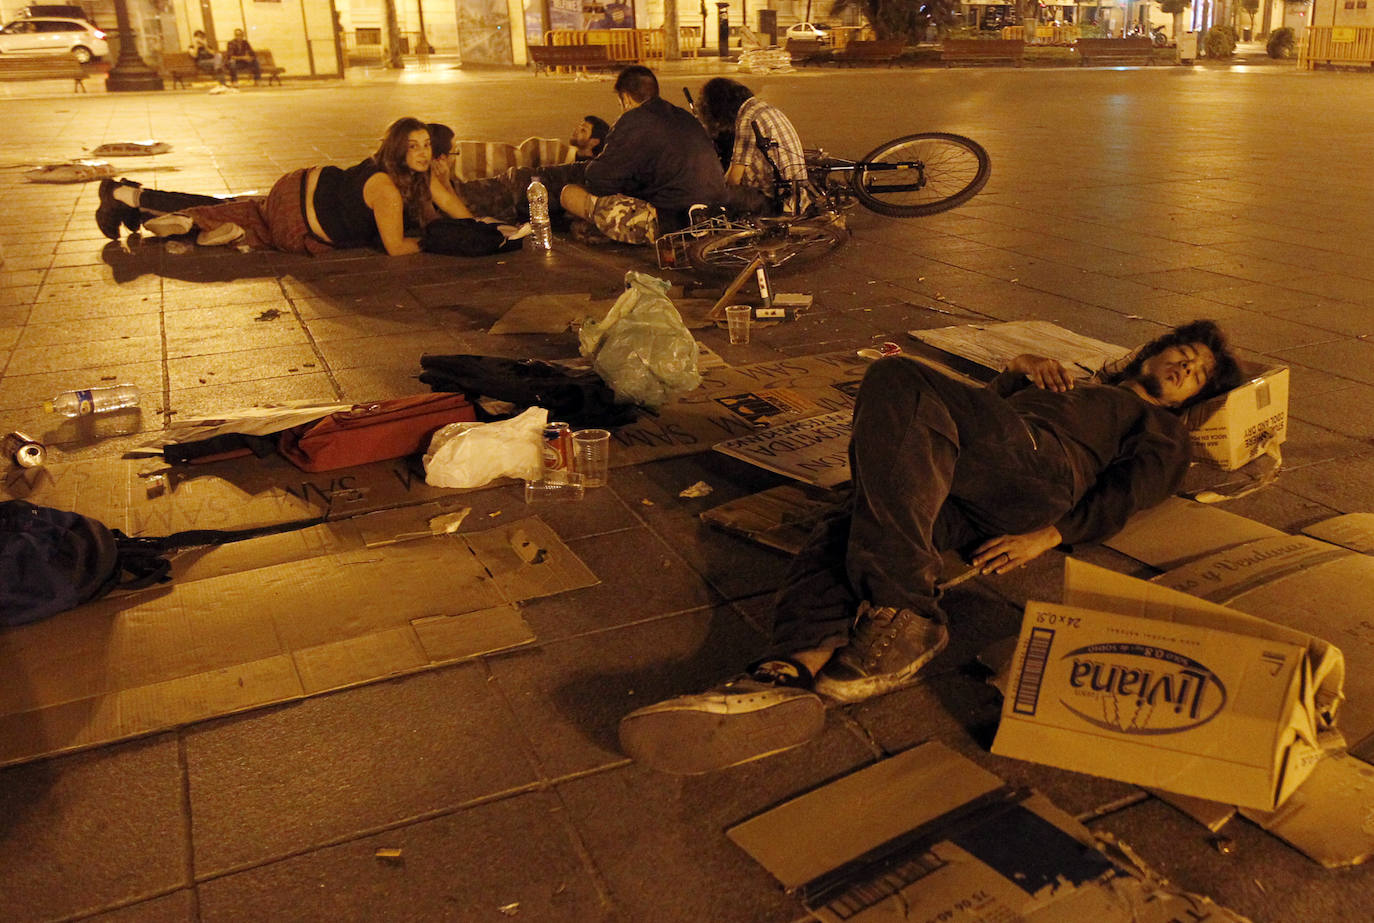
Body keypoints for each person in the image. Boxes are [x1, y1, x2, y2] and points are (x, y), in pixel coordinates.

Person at [618, 320, 1244, 775]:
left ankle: (907, 611)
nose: (1184, 368)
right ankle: (787, 672)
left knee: (897, 376)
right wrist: (1017, 371)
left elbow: (1133, 493)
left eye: (1195, 374)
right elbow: (948, 424)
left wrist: (1049, 536)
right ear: (1152, 353)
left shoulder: (1160, 430)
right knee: (847, 524)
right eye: (1181, 354)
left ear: (1191, 398)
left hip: (1043, 471)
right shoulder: (1073, 384)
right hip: (980, 471)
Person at [95, 117, 472, 255]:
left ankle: (131, 198)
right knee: (227, 213)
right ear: (397, 149)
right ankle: (133, 200)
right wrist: (435, 242)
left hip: (305, 186)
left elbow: (461, 215)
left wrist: (445, 188)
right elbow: (397, 247)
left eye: (427, 145)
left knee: (231, 206)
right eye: (414, 146)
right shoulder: (386, 189)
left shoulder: (411, 172)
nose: (424, 153)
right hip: (298, 220)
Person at [560, 65, 727, 245]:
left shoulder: (633, 119)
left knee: (570, 194)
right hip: (715, 212)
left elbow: (598, 179)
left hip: (672, 223)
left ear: (626, 99)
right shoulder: (685, 117)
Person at [696, 77, 806, 211]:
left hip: (777, 199)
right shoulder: (763, 108)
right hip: (797, 193)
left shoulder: (747, 119)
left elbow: (734, 178)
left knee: (716, 195)